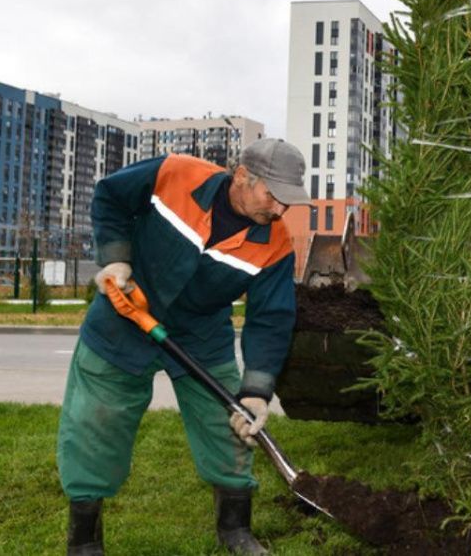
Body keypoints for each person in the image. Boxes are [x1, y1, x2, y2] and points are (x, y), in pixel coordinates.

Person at [58, 138, 310, 555]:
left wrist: (256, 392)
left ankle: (235, 530)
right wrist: (117, 258)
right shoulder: (176, 174)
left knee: (230, 425)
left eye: (289, 201)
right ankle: (84, 539)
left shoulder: (276, 244)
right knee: (94, 423)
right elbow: (111, 196)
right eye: (273, 196)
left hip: (201, 335)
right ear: (243, 177)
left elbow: (270, 319)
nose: (280, 210)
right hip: (125, 314)